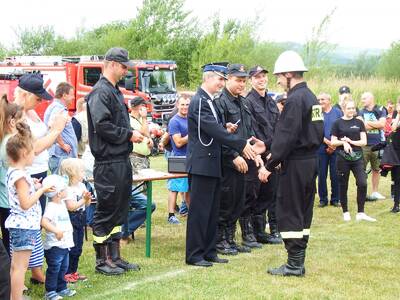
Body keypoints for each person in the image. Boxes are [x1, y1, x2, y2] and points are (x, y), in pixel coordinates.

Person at [185, 62, 262, 267]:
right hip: (202, 164)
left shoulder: (209, 101)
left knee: (211, 211)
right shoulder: (200, 101)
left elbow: (217, 128)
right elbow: (212, 130)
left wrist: (226, 127)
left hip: (212, 164)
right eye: (220, 79)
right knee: (200, 212)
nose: (222, 83)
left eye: (223, 79)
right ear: (208, 78)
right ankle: (194, 254)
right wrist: (240, 143)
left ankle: (209, 251)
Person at [258, 50, 324, 276]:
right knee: (303, 210)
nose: (277, 81)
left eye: (278, 76)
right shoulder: (311, 97)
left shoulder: (295, 99)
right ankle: (298, 260)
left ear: (288, 74)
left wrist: (268, 165)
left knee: (289, 209)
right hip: (310, 161)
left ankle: (294, 264)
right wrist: (266, 145)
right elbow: (298, 132)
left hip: (296, 163)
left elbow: (287, 136)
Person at [86, 47, 144, 275]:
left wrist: (131, 132)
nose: (125, 70)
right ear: (110, 64)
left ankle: (115, 256)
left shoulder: (115, 91)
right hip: (108, 162)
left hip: (120, 159)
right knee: (106, 209)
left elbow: (117, 122)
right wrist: (129, 134)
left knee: (120, 209)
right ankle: (102, 261)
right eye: (122, 66)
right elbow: (103, 125)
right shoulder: (101, 92)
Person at [13, 73, 68, 285]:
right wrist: (56, 131)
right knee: (23, 226)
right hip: (26, 174)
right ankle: (19, 274)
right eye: (38, 98)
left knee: (35, 225)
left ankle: (34, 270)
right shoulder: (17, 116)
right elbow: (32, 148)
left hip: (38, 173)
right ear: (25, 95)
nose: (41, 102)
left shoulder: (31, 112)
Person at [214, 63, 262, 255]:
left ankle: (231, 239)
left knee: (238, 201)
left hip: (245, 158)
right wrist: (233, 155)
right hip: (229, 161)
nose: (241, 84)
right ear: (227, 79)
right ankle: (220, 241)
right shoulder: (220, 102)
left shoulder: (242, 102)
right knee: (226, 200)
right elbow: (219, 134)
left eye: (244, 81)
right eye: (237, 80)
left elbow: (247, 132)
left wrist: (254, 148)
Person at [5, 122, 54, 300]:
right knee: (20, 267)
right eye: (33, 152)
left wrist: (33, 186)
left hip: (21, 226)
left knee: (16, 266)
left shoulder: (15, 172)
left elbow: (21, 196)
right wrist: (41, 191)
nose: (35, 155)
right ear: (25, 153)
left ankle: (13, 296)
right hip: (24, 227)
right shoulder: (21, 176)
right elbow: (25, 203)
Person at [245, 65, 282, 245]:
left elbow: (278, 128)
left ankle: (261, 232)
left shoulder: (271, 101)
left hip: (272, 156)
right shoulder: (248, 102)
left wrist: (275, 153)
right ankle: (253, 232)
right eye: (257, 77)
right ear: (251, 80)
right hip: (257, 157)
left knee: (269, 193)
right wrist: (266, 152)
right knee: (255, 195)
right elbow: (252, 132)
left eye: (264, 76)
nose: (261, 79)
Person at [330, 99, 376, 222]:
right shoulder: (337, 123)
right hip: (342, 158)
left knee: (362, 183)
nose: (352, 110)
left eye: (353, 108)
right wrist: (343, 142)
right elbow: (333, 142)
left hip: (357, 157)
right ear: (343, 109)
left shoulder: (359, 122)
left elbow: (363, 142)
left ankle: (361, 212)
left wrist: (350, 141)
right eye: (349, 108)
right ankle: (345, 211)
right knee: (343, 185)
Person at [41, 175, 76, 300]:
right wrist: (56, 230)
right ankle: (50, 291)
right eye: (64, 189)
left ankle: (61, 288)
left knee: (63, 267)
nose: (67, 191)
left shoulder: (61, 204)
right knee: (54, 268)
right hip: (55, 245)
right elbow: (44, 222)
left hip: (64, 243)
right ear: (59, 193)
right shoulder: (51, 207)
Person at [59, 158, 92, 283]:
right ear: (73, 173)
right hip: (71, 219)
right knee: (71, 247)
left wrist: (87, 199)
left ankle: (73, 271)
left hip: (81, 217)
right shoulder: (67, 189)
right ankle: (67, 273)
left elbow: (87, 204)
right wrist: (84, 200)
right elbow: (71, 207)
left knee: (78, 247)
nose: (84, 173)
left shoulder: (82, 185)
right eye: (82, 171)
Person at [0, 94, 24, 256]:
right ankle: (10, 279)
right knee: (12, 246)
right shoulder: (10, 143)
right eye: (23, 120)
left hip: (4, 200)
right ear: (12, 122)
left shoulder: (5, 140)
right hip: (10, 201)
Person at [44, 82, 78, 174]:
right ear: (64, 95)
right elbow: (52, 126)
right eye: (71, 95)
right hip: (62, 156)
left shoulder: (55, 107)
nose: (73, 97)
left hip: (60, 156)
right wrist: (62, 145)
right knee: (62, 184)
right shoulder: (59, 109)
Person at [167, 95, 190, 225]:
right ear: (177, 105)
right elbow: (178, 142)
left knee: (188, 188)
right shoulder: (174, 121)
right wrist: (191, 135)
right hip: (178, 158)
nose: (185, 107)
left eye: (187, 105)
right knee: (174, 188)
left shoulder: (190, 120)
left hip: (191, 158)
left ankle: (191, 213)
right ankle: (171, 215)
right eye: (182, 104)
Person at [359, 92, 387, 200]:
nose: (362, 100)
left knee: (376, 169)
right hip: (364, 144)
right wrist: (376, 124)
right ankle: (362, 192)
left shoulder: (380, 109)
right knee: (361, 169)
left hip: (378, 144)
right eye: (362, 98)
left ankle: (375, 192)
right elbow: (362, 127)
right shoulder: (360, 111)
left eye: (364, 98)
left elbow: (382, 125)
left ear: (371, 98)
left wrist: (367, 123)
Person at [317, 93, 342, 207]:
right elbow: (314, 130)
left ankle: (335, 199)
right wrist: (328, 143)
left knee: (335, 174)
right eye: (318, 99)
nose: (320, 101)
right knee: (322, 174)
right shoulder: (316, 111)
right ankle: (323, 199)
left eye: (322, 99)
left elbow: (342, 128)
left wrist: (334, 145)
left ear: (329, 100)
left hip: (336, 147)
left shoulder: (337, 112)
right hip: (321, 148)